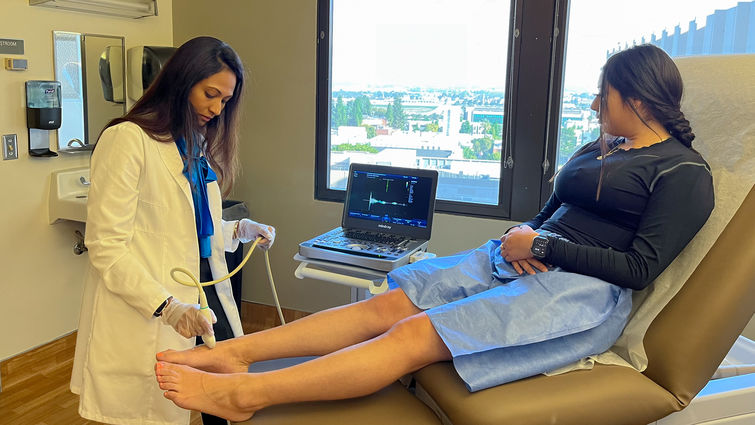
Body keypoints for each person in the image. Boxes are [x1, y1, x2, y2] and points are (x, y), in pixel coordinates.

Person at [153, 44, 714, 422]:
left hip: (581, 292)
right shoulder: (602, 147)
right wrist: (525, 237)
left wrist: (539, 246)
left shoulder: (684, 174)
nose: (595, 104)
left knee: (409, 336)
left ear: (637, 99)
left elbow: (641, 269)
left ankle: (243, 394)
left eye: (604, 95)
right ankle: (236, 354)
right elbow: (551, 211)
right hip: (515, 258)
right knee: (385, 306)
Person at [70, 36, 276, 425]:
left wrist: (240, 231)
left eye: (225, 101)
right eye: (210, 94)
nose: (216, 109)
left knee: (224, 399)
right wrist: (168, 307)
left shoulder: (193, 145)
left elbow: (192, 229)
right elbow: (106, 246)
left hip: (203, 299)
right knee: (154, 412)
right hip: (152, 308)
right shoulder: (127, 141)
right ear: (182, 82)